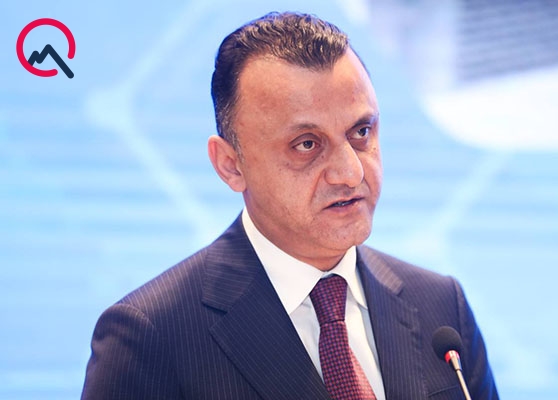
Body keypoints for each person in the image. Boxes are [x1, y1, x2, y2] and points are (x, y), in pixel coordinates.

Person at [81, 11, 498, 400]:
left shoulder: (441, 307)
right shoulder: (149, 337)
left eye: (361, 132)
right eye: (307, 144)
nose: (350, 172)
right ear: (230, 165)